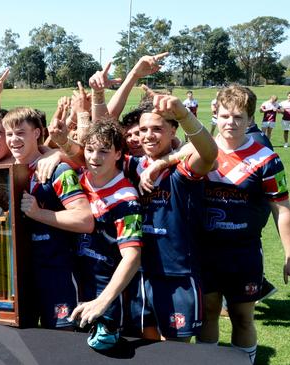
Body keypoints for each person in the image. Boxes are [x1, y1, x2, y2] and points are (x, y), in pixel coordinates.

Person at [196, 85, 290, 364]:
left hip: (244, 252)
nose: (231, 123)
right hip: (204, 249)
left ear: (250, 120)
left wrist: (288, 252)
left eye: (238, 117)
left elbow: (282, 208)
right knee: (209, 311)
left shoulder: (267, 159)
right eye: (225, 116)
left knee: (242, 316)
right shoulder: (200, 152)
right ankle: (207, 361)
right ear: (216, 116)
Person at [124, 90, 218, 342]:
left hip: (178, 274)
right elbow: (92, 147)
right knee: (148, 343)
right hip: (141, 272)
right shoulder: (132, 166)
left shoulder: (182, 169)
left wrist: (184, 116)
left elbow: (208, 153)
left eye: (156, 128)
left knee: (176, 349)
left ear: (173, 130)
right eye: (143, 130)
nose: (148, 136)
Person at [4, 107, 94, 329]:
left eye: (20, 133)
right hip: (21, 275)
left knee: (60, 341)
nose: (13, 140)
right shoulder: (6, 171)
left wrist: (38, 213)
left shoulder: (57, 169)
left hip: (57, 273)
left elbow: (85, 220)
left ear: (37, 133)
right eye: (9, 134)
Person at [66, 119, 142, 350]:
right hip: (74, 280)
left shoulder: (126, 198)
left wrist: (103, 301)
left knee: (102, 347)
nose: (94, 158)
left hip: (105, 288)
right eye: (89, 150)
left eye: (103, 151)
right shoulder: (78, 179)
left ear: (119, 153)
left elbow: (132, 256)